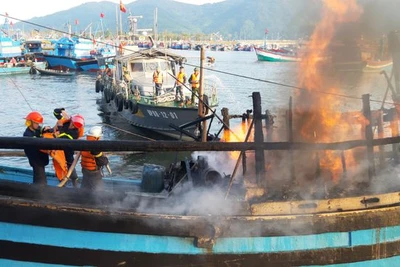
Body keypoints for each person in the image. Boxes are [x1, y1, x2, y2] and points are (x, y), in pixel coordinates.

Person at [55, 114, 85, 187]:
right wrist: (60, 111)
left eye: (75, 126)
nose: (72, 126)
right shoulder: (65, 123)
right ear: (71, 120)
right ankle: (62, 182)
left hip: (68, 152)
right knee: (59, 168)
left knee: (71, 166)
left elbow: (64, 138)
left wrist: (59, 128)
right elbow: (56, 113)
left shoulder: (75, 132)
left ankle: (75, 183)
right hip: (59, 152)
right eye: (72, 124)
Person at [23, 111, 52, 186]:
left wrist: (46, 129)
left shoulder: (37, 129)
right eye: (36, 123)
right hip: (36, 160)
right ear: (30, 123)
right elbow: (37, 142)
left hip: (41, 159)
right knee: (40, 179)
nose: (38, 125)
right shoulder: (27, 134)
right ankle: (39, 193)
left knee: (41, 176)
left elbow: (41, 129)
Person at [80, 126, 109, 190]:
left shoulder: (84, 144)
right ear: (96, 137)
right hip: (94, 174)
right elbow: (101, 162)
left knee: (84, 188)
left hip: (85, 171)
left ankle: (83, 196)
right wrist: (106, 160)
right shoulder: (95, 148)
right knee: (99, 192)